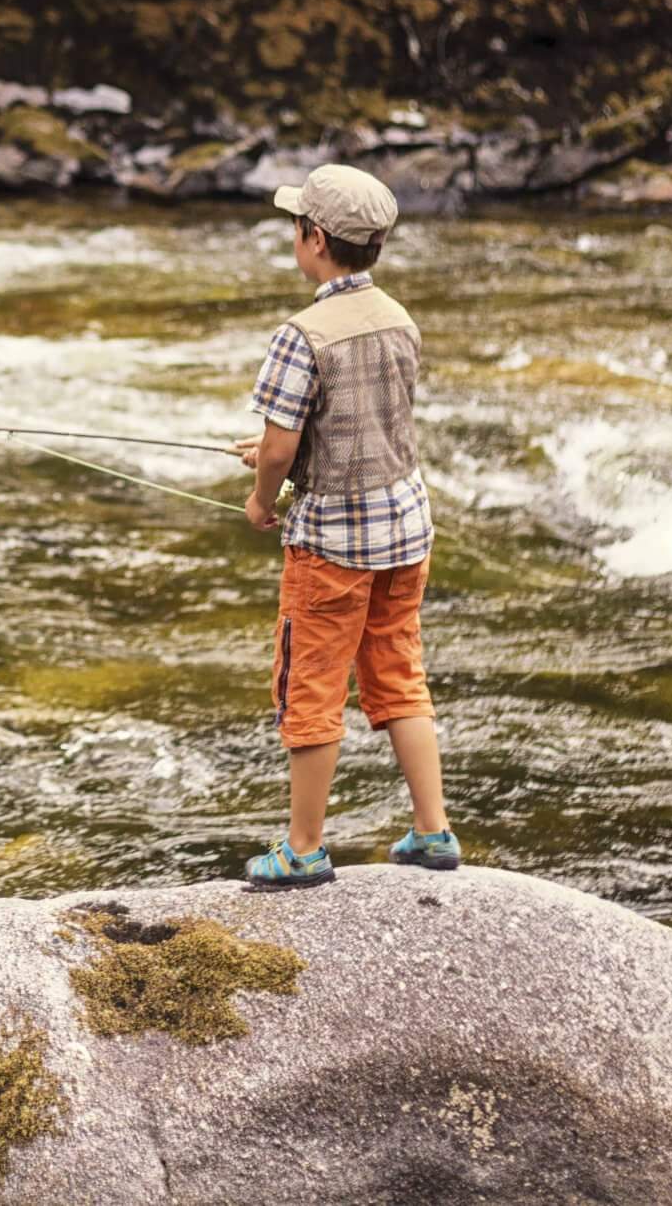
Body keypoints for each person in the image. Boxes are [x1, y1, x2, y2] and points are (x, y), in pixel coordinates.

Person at [231, 163, 458, 888]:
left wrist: (266, 496)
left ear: (316, 238)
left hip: (331, 547)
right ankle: (433, 830)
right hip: (404, 532)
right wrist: (287, 457)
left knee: (312, 688)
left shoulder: (301, 335)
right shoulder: (400, 318)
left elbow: (279, 447)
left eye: (296, 228)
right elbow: (363, 427)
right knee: (398, 676)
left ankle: (303, 848)